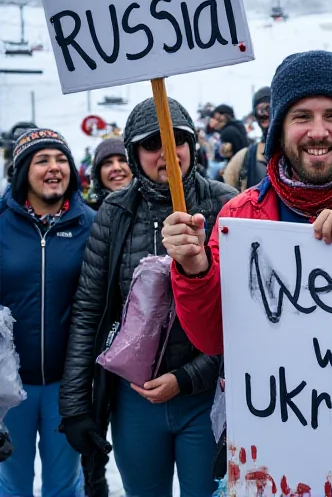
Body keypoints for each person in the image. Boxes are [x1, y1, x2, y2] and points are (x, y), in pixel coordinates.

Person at [162, 50, 332, 356]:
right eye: (302, 117)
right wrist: (193, 269)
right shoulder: (241, 216)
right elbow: (213, 340)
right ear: (280, 129)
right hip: (277, 398)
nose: (318, 132)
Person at [59, 98, 237, 497]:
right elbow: (90, 309)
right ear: (136, 156)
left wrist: (187, 377)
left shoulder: (226, 203)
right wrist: (74, 404)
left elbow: (241, 315)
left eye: (178, 140)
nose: (168, 153)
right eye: (152, 143)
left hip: (206, 396)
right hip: (133, 398)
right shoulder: (114, 212)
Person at [0, 128, 95, 497]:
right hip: (10, 388)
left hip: (66, 386)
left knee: (64, 486)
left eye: (61, 160)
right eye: (43, 160)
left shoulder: (92, 223)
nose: (54, 168)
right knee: (12, 483)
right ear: (24, 171)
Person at [224, 86, 270, 192]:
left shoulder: (293, 152)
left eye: (269, 108)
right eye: (260, 110)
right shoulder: (244, 157)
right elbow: (227, 197)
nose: (264, 114)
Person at [85, 136, 133, 209]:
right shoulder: (87, 215)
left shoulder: (153, 206)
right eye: (108, 163)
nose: (116, 168)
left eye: (123, 160)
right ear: (98, 174)